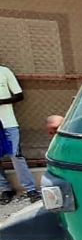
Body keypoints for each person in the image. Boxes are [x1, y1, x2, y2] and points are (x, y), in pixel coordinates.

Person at [0, 64, 40, 204]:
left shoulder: (4, 71)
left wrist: (1, 101)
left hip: (8, 123)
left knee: (16, 156)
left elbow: (19, 95)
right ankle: (5, 189)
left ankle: (30, 189)